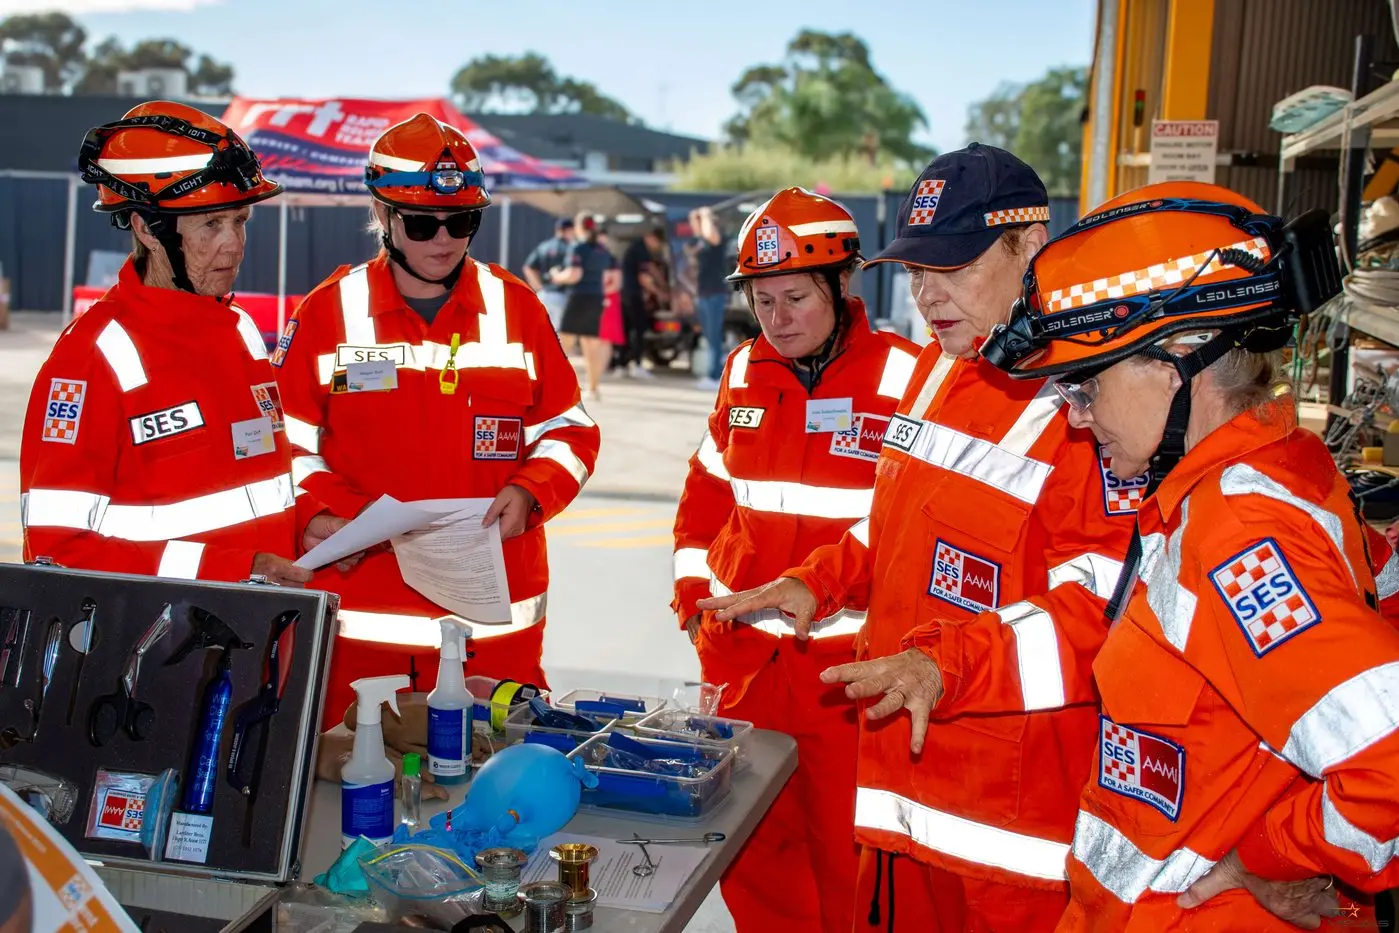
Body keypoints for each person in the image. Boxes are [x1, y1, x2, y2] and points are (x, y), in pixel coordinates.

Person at [699, 146, 1142, 932]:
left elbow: (1099, 608)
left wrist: (947, 663)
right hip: (906, 796)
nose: (927, 295)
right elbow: (894, 522)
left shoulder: (1087, 398)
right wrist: (818, 579)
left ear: (1028, 246)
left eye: (953, 267)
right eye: (913, 272)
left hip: (1006, 831)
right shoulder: (943, 367)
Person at [972, 180, 1399, 930]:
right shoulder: (1276, 470)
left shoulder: (1237, 528)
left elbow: (1386, 764)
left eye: (1085, 385)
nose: (1079, 418)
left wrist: (1267, 854)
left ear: (1175, 363)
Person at [273, 113, 600, 725]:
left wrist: (531, 492)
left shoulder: (516, 307)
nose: (444, 239)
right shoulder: (328, 313)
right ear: (384, 216)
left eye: (463, 221)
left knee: (498, 801)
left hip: (493, 629)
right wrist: (323, 512)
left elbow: (569, 429)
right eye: (423, 223)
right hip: (362, 630)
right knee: (352, 792)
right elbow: (282, 442)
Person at [673, 187, 919, 933]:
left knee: (850, 866)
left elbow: (910, 525)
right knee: (751, 857)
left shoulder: (908, 379)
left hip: (846, 681)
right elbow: (706, 487)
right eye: (762, 300)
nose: (777, 320)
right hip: (744, 673)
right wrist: (691, 599)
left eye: (795, 298)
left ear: (843, 286)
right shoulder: (744, 370)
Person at [20, 101, 347, 583]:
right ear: (146, 230)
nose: (233, 244)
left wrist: (307, 520)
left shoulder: (239, 330)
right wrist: (235, 570)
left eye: (239, 221)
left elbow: (252, 482)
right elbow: (57, 553)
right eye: (211, 225)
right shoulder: (92, 356)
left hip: (259, 639)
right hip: (159, 650)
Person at [554, 212, 620, 401]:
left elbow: (574, 274)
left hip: (578, 296)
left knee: (563, 342)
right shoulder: (604, 250)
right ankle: (593, 388)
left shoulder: (577, 247)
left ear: (579, 226)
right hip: (597, 297)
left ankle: (556, 386)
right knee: (591, 344)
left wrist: (557, 276)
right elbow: (615, 281)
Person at [617, 225, 668, 379]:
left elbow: (651, 269)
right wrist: (661, 293)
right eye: (657, 244)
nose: (657, 248)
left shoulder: (637, 248)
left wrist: (663, 282)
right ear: (652, 239)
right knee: (639, 330)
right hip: (634, 295)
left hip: (625, 294)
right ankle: (638, 364)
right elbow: (644, 278)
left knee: (625, 330)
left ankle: (621, 365)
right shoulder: (641, 250)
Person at [691, 206, 729, 391]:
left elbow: (710, 234)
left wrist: (705, 215)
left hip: (715, 292)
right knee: (708, 336)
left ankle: (714, 376)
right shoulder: (701, 240)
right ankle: (714, 372)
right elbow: (697, 228)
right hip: (703, 293)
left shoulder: (717, 237)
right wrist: (696, 215)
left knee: (714, 337)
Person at [522, 217, 574, 333]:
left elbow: (528, 267)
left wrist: (539, 287)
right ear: (569, 230)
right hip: (562, 296)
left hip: (543, 295)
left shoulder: (544, 246)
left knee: (540, 332)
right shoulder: (571, 248)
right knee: (559, 335)